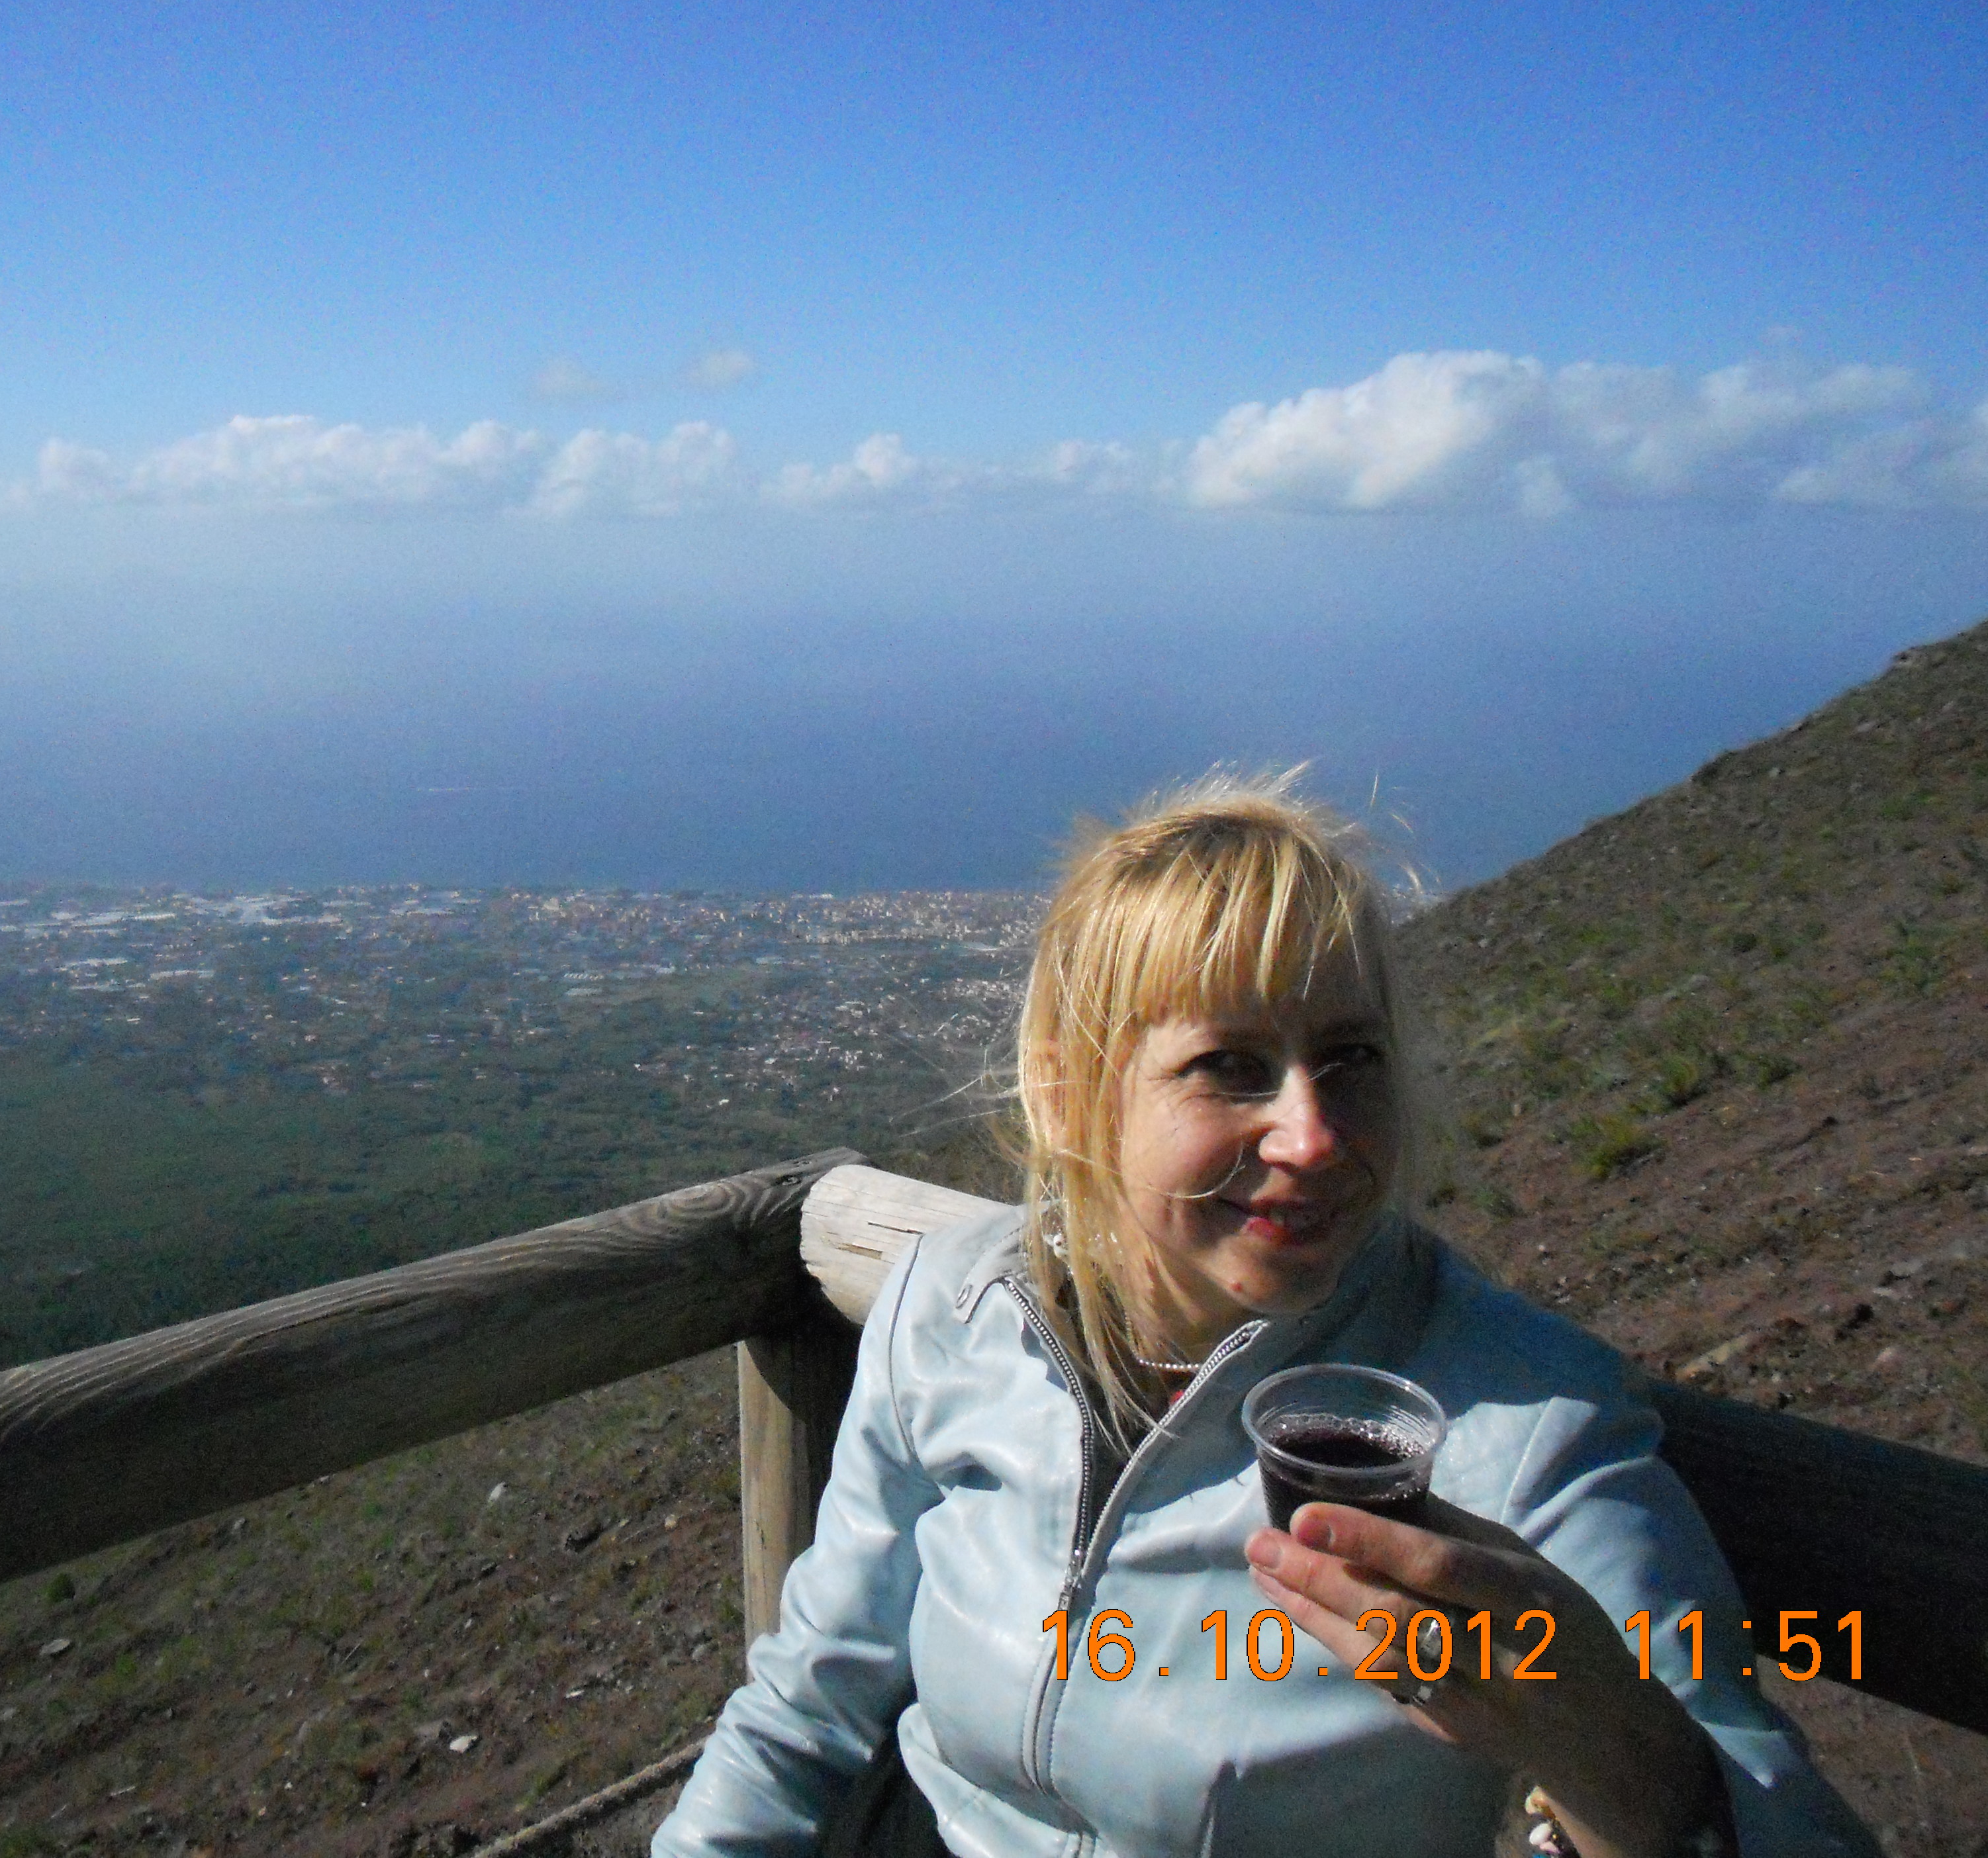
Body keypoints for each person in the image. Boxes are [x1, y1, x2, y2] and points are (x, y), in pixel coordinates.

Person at [654, 774, 1875, 1858]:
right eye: (1230, 1067)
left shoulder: (1522, 1434)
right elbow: (807, 1706)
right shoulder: (951, 1313)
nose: (1314, 1135)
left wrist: (1620, 1754)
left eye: (1351, 1058)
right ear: (1074, 1095)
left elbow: (1781, 1816)